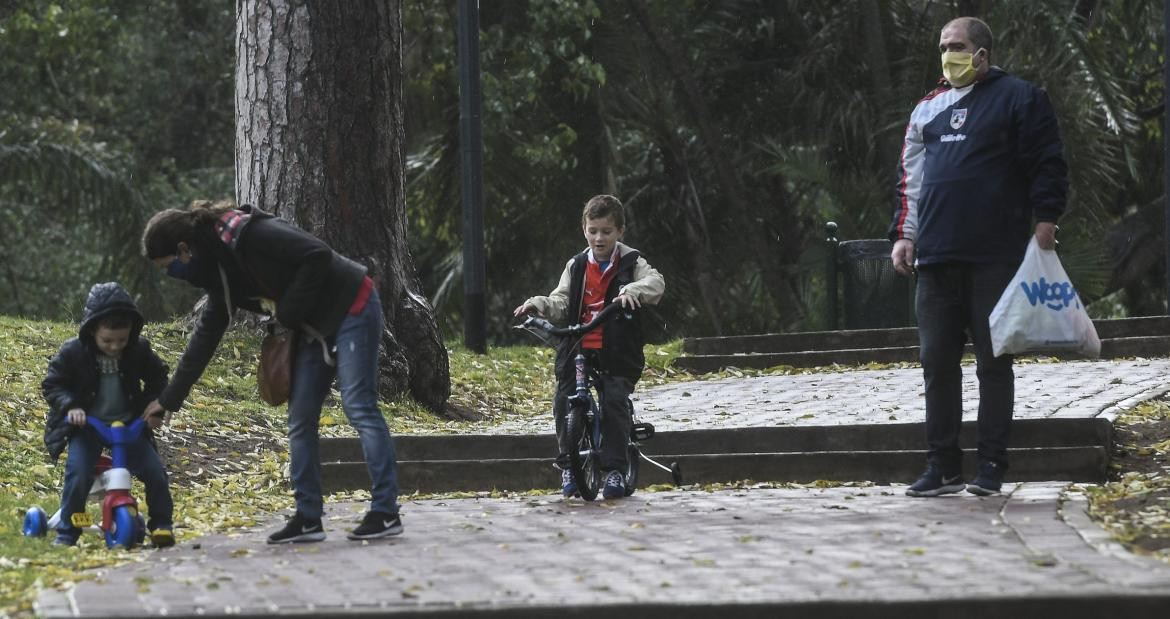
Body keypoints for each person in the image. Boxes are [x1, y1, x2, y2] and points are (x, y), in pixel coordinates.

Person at [140, 200, 402, 543]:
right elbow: (205, 337)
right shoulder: (218, 271)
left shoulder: (251, 234)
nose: (172, 276)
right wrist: (168, 400)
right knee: (300, 418)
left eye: (169, 267)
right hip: (310, 326)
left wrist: (287, 316)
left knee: (358, 405)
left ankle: (385, 511)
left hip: (352, 305)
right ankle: (308, 518)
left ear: (184, 249)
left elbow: (317, 255)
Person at [888, 17, 1067, 497]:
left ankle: (991, 465)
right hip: (937, 260)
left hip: (997, 257)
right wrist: (904, 235)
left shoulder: (1021, 98)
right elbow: (912, 181)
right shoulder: (928, 108)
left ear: (982, 53)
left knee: (993, 363)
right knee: (936, 364)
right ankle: (942, 467)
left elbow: (1047, 161)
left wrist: (1046, 219)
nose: (949, 54)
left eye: (958, 46)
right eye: (944, 47)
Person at [514, 195, 665, 499]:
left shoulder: (632, 262)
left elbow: (656, 283)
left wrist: (631, 291)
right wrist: (538, 304)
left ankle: (614, 471)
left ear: (620, 231)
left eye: (606, 232)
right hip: (579, 344)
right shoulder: (577, 265)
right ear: (584, 229)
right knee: (563, 399)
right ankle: (570, 463)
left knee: (613, 400)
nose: (599, 238)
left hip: (617, 346)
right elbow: (561, 301)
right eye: (593, 230)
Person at [42, 282, 174, 547]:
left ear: (131, 333)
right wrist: (71, 406)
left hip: (128, 426)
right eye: (107, 340)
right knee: (78, 472)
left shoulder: (138, 350)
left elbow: (159, 378)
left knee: (155, 471)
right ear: (92, 331)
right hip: (88, 426)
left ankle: (161, 524)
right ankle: (68, 530)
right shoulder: (73, 352)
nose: (115, 346)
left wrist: (155, 408)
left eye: (122, 340)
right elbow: (52, 384)